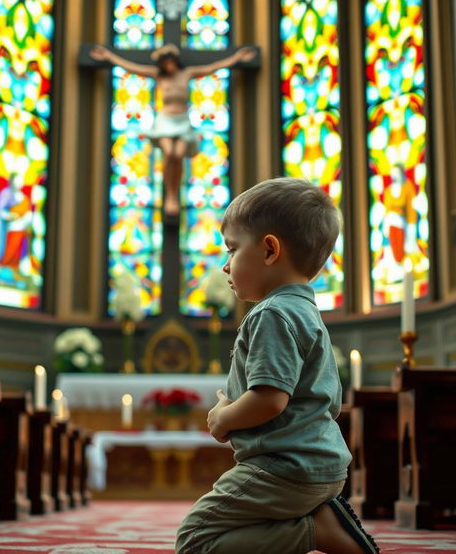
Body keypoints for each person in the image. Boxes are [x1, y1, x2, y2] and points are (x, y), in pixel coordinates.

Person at [175, 177, 380, 554]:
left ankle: (320, 531)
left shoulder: (271, 314)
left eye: (232, 249)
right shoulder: (304, 310)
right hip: (316, 465)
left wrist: (224, 417)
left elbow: (270, 400)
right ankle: (315, 523)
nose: (225, 265)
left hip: (283, 469)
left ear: (270, 250)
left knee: (195, 539)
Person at [90, 43, 256, 218]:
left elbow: (213, 67)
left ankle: (175, 192)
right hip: (164, 122)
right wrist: (109, 57)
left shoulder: (187, 74)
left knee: (179, 153)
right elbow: (132, 68)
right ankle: (170, 195)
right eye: (164, 64)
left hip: (183, 121)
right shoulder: (158, 76)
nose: (167, 67)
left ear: (175, 61)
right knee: (169, 152)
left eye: (169, 62)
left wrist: (237, 58)